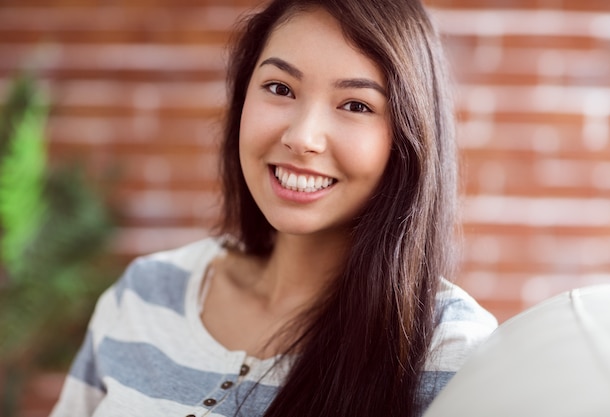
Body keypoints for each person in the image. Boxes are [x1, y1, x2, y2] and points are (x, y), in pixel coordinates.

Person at [50, 0, 497, 416]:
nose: (302, 137)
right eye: (280, 88)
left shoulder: (450, 350)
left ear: (407, 138)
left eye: (356, 105)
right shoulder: (146, 293)